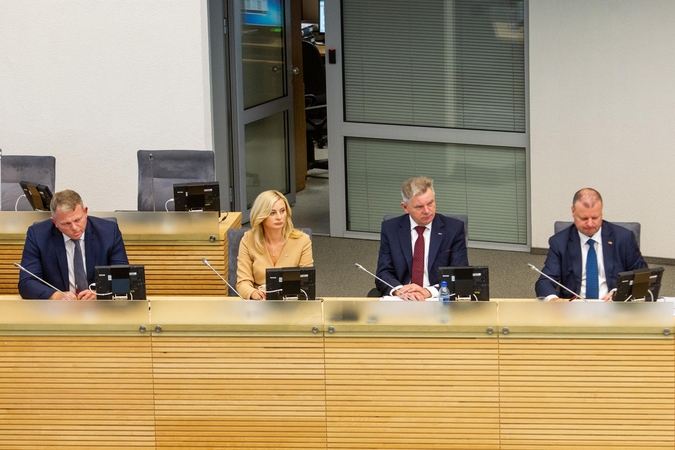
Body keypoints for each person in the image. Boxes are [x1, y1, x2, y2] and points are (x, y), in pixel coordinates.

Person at [535, 188, 647, 301]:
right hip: (574, 306)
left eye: (595, 218)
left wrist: (619, 293)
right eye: (584, 218)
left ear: (601, 212)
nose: (590, 224)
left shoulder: (624, 238)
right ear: (573, 211)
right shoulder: (559, 242)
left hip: (613, 305)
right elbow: (545, 281)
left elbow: (643, 278)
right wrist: (554, 301)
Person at [18, 189, 129, 300]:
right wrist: (55, 296)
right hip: (58, 307)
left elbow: (123, 278)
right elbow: (27, 282)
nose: (74, 227)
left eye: (77, 220)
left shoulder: (109, 232)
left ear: (85, 212)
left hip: (99, 306)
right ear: (55, 222)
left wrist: (100, 293)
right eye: (66, 223)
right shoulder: (38, 235)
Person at [375, 176, 469, 301]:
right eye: (419, 207)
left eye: (430, 203)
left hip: (436, 297)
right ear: (405, 207)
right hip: (403, 298)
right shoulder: (390, 229)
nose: (427, 211)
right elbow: (383, 273)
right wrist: (399, 291)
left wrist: (428, 291)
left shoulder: (453, 229)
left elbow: (459, 274)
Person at [236, 190, 313, 300]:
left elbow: (307, 282)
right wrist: (253, 293)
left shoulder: (302, 241)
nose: (279, 217)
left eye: (282, 211)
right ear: (261, 215)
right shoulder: (248, 240)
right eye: (272, 213)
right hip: (260, 302)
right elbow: (243, 282)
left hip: (291, 301)